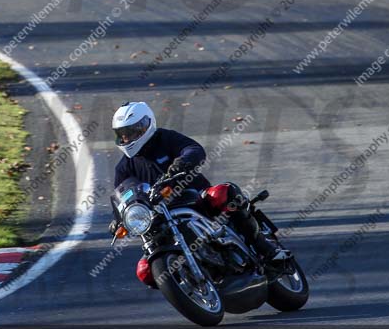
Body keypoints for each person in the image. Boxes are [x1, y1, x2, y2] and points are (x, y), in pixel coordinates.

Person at [111, 101, 292, 277]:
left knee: (224, 193)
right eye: (122, 134)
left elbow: (193, 149)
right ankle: (188, 281)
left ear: (145, 125)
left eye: (130, 132)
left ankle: (264, 247)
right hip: (160, 218)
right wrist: (119, 218)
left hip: (196, 198)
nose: (126, 138)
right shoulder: (124, 167)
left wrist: (181, 164)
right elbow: (123, 196)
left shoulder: (165, 138)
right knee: (144, 271)